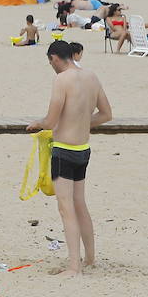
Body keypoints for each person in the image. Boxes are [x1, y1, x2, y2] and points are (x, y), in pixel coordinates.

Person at [28, 40, 113, 276]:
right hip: (83, 149)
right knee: (80, 204)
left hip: (64, 150)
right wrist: (83, 122)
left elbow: (50, 120)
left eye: (51, 62)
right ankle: (90, 259)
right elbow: (106, 114)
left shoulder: (62, 80)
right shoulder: (91, 77)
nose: (51, 66)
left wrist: (37, 124)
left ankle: (74, 266)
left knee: (66, 208)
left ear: (55, 58)